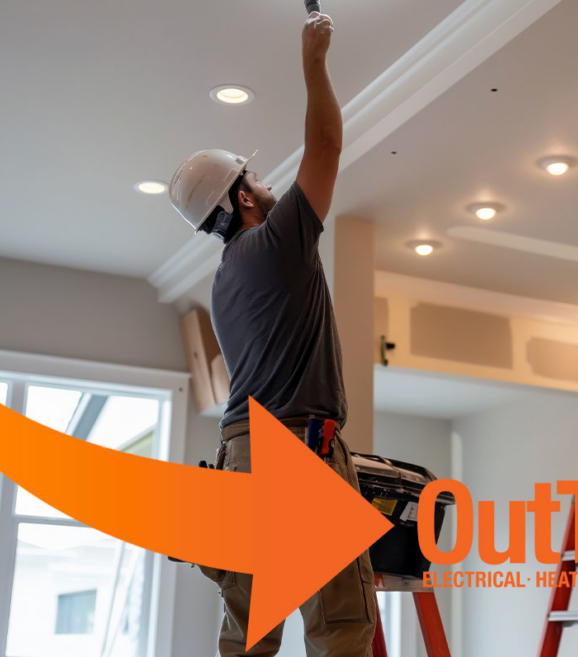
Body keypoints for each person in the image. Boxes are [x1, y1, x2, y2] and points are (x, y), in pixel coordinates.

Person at [168, 11, 376, 657]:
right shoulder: (275, 245)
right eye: (255, 177)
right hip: (294, 444)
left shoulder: (225, 276)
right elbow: (327, 150)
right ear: (243, 198)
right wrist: (314, 61)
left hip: (242, 451)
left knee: (248, 629)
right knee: (339, 621)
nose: (269, 182)